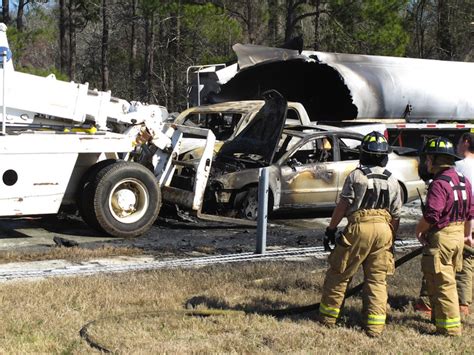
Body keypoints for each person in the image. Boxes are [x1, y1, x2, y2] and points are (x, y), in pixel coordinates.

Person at [318, 131, 402, 338]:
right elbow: (396, 215)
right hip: (384, 229)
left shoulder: (356, 176)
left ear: (363, 154)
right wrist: (391, 240)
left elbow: (343, 205)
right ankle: (374, 328)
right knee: (377, 279)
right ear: (384, 155)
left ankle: (328, 320)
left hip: (359, 227)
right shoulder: (393, 181)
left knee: (340, 272)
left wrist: (331, 229)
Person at [415, 137, 473, 336]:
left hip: (443, 237)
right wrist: (467, 235)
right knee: (438, 280)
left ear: (435, 159)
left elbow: (432, 215)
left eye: (428, 158)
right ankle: (439, 321)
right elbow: (470, 213)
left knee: (443, 284)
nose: (426, 162)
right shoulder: (462, 180)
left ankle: (450, 329)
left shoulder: (440, 184)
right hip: (457, 236)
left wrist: (419, 230)